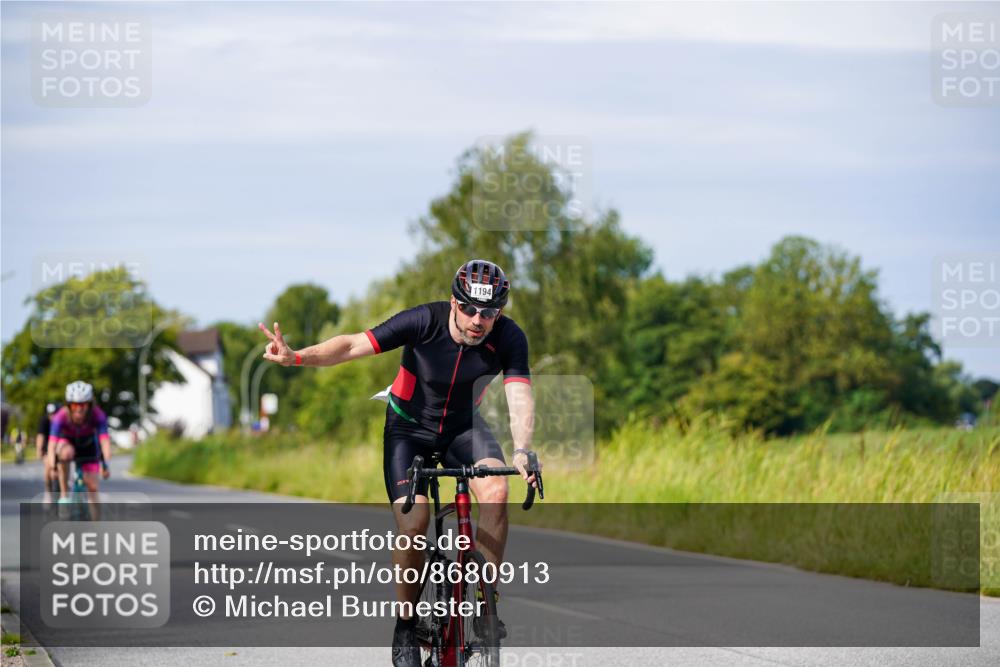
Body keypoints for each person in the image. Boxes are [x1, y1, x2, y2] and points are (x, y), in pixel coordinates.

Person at [260, 259, 537, 667]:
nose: (478, 320)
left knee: (496, 489)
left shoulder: (509, 337)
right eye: (469, 309)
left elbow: (519, 395)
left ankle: (485, 602)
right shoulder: (423, 321)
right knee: (414, 524)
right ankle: (406, 623)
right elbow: (353, 345)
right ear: (453, 302)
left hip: (463, 427)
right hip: (409, 429)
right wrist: (297, 357)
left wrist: (523, 449)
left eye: (489, 312)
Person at [48, 381, 111, 517]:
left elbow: (105, 441)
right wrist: (53, 467)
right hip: (68, 443)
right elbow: (52, 444)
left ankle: (96, 526)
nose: (79, 409)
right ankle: (64, 495)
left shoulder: (97, 414)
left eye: (83, 404)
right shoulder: (61, 416)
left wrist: (105, 465)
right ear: (68, 405)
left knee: (93, 488)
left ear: (89, 404)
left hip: (88, 445)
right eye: (75, 405)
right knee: (65, 452)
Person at [37, 402, 59, 494]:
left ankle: (64, 490)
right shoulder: (44, 421)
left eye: (54, 414)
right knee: (48, 468)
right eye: (50, 414)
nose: (52, 416)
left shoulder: (60, 421)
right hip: (47, 448)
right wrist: (39, 450)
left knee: (61, 469)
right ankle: (48, 491)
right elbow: (40, 436)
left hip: (58, 447)